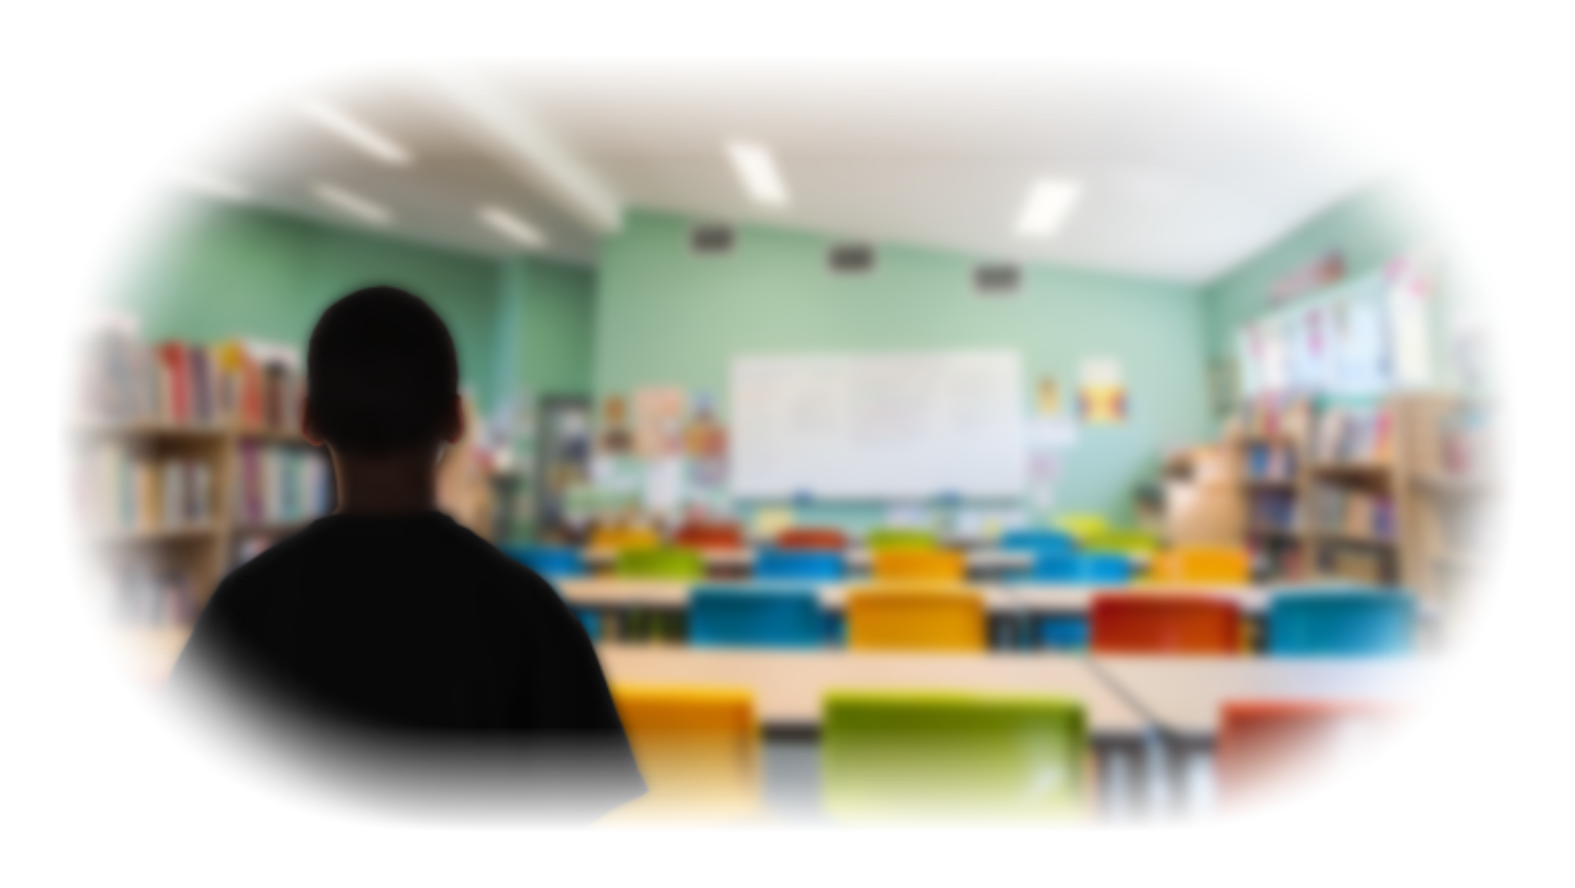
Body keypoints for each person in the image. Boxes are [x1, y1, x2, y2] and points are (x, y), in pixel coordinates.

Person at [155, 286, 646, 831]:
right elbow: (571, 812)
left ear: (309, 419)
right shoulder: (531, 612)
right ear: (456, 420)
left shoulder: (245, 605)